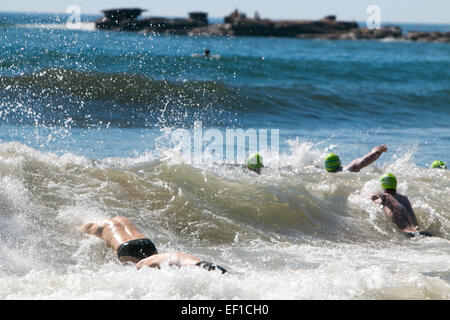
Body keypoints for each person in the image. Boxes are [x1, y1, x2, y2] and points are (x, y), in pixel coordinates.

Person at [78, 216, 227, 273]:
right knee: (159, 262)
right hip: (146, 242)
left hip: (126, 248)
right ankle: (198, 264)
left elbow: (83, 233)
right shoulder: (121, 219)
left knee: (138, 270)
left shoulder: (96, 226)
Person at [370, 173, 432, 238]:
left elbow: (371, 201)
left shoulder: (384, 197)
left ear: (382, 185)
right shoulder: (405, 198)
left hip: (408, 234)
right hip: (422, 231)